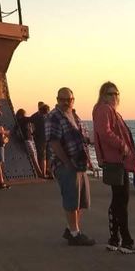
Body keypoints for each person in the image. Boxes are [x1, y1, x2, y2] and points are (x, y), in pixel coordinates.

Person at [93, 82, 135, 254]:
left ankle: (114, 239)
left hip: (117, 160)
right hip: (116, 160)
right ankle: (127, 240)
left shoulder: (108, 110)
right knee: (121, 201)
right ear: (102, 95)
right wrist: (122, 144)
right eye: (110, 93)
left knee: (118, 200)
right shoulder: (104, 109)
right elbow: (104, 132)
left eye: (116, 93)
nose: (114, 96)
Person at [44, 88, 95, 246]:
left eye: (69, 99)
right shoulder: (53, 117)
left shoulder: (74, 115)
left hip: (79, 164)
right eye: (63, 99)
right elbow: (53, 142)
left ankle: (70, 229)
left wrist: (90, 161)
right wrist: (66, 162)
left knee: (83, 201)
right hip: (65, 165)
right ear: (57, 99)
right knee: (71, 199)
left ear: (73, 99)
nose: (66, 102)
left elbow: (82, 138)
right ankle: (74, 233)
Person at [16, 108, 39, 175]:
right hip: (28, 140)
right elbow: (32, 119)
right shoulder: (24, 119)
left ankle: (39, 172)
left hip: (26, 139)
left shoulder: (18, 121)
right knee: (33, 156)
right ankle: (39, 172)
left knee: (33, 156)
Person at [30, 102, 50, 177]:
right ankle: (50, 172)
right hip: (49, 138)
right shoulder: (49, 117)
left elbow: (30, 121)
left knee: (41, 156)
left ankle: (43, 173)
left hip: (40, 138)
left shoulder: (37, 116)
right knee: (48, 156)